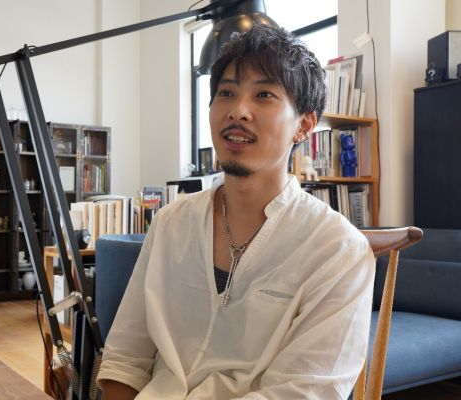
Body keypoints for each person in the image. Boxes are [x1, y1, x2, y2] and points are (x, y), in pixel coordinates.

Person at [97, 24, 375, 399]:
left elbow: (304, 392)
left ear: (304, 125)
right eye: (226, 93)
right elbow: (125, 359)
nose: (238, 111)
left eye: (264, 95)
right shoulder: (171, 222)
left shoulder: (338, 250)